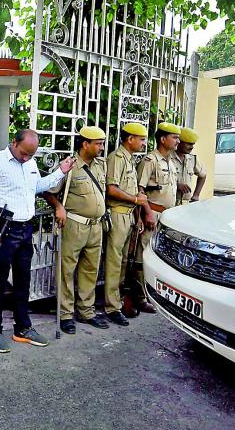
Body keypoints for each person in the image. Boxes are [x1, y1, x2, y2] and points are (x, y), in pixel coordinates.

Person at [0, 129, 75, 353]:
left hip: (25, 227)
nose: (27, 158)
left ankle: (22, 328)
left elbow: (36, 187)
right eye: (24, 154)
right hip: (2, 227)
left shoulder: (30, 163)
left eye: (31, 155)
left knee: (23, 280)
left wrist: (60, 172)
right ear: (13, 142)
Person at [43, 126, 108, 334]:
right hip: (74, 224)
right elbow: (49, 191)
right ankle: (66, 314)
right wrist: (59, 206)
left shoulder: (100, 166)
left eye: (102, 143)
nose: (101, 147)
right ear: (85, 144)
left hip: (95, 225)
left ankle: (86, 311)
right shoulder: (69, 165)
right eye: (98, 144)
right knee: (67, 270)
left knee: (91, 269)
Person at [103, 122, 148, 326]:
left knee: (122, 263)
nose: (143, 143)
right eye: (140, 139)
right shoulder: (117, 157)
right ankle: (112, 307)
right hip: (118, 213)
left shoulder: (129, 159)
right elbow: (111, 189)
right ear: (130, 139)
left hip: (129, 215)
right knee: (114, 262)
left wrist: (137, 214)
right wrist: (135, 200)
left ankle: (119, 300)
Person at [134, 122, 181, 313]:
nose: (178, 141)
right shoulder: (150, 160)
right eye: (174, 137)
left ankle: (155, 293)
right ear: (163, 139)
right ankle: (139, 296)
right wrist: (146, 213)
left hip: (166, 215)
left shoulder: (170, 161)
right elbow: (140, 189)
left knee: (160, 256)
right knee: (142, 255)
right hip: (152, 213)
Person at [174, 127, 207, 205]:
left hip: (185, 204)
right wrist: (176, 185)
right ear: (179, 142)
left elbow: (203, 175)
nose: (191, 147)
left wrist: (196, 195)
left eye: (193, 144)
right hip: (170, 204)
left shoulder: (192, 159)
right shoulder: (167, 158)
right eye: (189, 144)